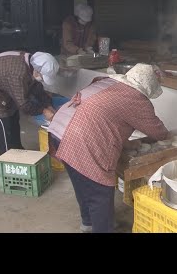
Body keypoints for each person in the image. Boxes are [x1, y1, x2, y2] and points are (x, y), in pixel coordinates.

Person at [47, 63, 169, 233]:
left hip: (59, 129)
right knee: (100, 193)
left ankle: (88, 223)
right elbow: (159, 133)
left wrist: (127, 142)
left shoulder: (108, 82)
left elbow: (105, 118)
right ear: (148, 87)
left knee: (82, 184)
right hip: (79, 138)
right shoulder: (136, 98)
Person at [0, 51, 59, 155]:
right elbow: (24, 105)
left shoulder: (31, 64)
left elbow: (36, 87)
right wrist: (44, 111)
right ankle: (6, 156)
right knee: (4, 124)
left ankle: (18, 151)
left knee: (14, 118)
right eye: (43, 77)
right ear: (37, 71)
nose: (42, 80)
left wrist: (48, 104)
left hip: (2, 86)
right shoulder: (18, 74)